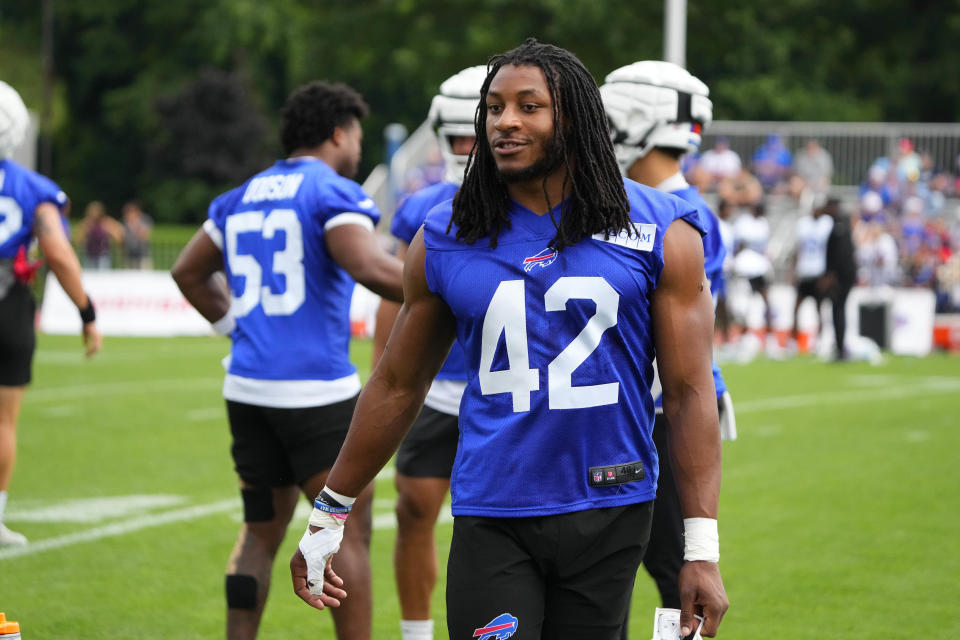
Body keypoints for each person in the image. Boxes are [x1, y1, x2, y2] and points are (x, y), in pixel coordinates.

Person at [291, 39, 729, 639]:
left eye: (529, 106)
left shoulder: (662, 229)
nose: (505, 122)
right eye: (494, 107)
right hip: (495, 506)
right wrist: (328, 514)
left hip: (611, 505)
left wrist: (700, 548)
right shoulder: (446, 233)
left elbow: (687, 392)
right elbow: (398, 383)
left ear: (572, 117)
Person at [172, 80, 403, 640]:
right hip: (315, 394)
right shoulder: (330, 191)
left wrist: (236, 328)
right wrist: (456, 290)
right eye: (356, 138)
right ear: (337, 133)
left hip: (248, 390)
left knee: (258, 533)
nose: (357, 149)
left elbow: (187, 272)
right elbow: (369, 267)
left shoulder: (238, 197)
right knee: (342, 530)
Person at [601, 60, 737, 635]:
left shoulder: (676, 215)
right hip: (641, 409)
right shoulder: (655, 206)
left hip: (660, 412)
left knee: (667, 568)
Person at [371, 65, 485, 640]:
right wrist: (378, 385)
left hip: (508, 392)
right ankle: (416, 634)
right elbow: (396, 302)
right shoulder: (422, 207)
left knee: (499, 525)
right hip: (437, 391)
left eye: (476, 133)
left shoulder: (539, 204)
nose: (468, 147)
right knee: (414, 508)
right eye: (459, 135)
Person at [0, 80, 102, 546]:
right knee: (3, 422)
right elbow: (59, 254)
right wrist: (86, 312)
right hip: (9, 304)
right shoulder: (31, 187)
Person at [790, 197, 834, 351]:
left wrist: (828, 273)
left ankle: (820, 341)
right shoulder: (803, 224)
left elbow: (830, 250)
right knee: (796, 308)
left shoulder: (826, 224)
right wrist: (793, 271)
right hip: (805, 271)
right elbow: (798, 248)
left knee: (819, 309)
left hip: (818, 272)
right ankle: (794, 342)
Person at [820, 197, 857, 360]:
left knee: (838, 309)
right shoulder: (841, 223)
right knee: (838, 309)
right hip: (843, 275)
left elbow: (840, 255)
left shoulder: (839, 225)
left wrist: (831, 275)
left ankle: (840, 347)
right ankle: (839, 345)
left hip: (842, 276)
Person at [79, 200, 122, 269]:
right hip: (89, 255)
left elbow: (118, 238)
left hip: (103, 255)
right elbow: (79, 240)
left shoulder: (107, 222)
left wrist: (109, 231)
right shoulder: (87, 223)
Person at [121, 199, 153, 269]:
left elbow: (144, 235)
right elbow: (122, 238)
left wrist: (134, 224)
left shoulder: (144, 220)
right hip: (129, 256)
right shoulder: (125, 222)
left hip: (142, 256)